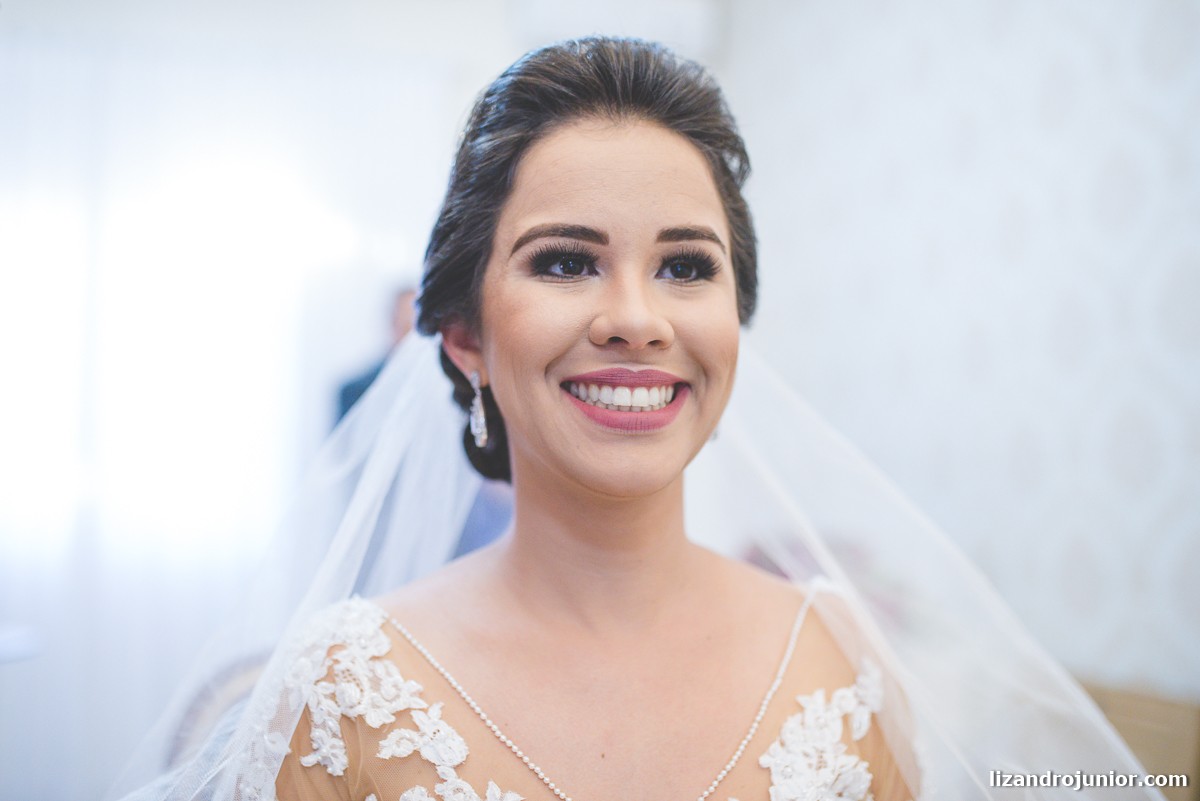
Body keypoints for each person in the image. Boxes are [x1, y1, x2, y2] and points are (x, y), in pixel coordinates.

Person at [109, 37, 1164, 801]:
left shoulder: (839, 659)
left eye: (686, 267)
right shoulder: (342, 694)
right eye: (566, 261)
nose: (634, 318)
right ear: (465, 337)